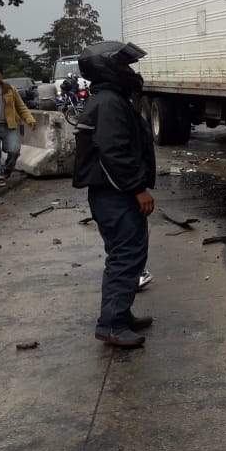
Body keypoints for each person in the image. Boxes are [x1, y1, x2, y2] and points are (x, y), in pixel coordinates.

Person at [72, 41, 157, 347]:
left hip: (113, 193)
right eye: (124, 65)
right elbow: (114, 152)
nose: (130, 71)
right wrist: (138, 189)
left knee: (127, 254)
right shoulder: (109, 102)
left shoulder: (110, 99)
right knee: (126, 255)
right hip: (115, 194)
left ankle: (121, 314)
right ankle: (111, 324)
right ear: (106, 68)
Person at [0, 64, 37, 187]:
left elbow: (21, 106)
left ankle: (7, 170)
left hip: (9, 126)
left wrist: (30, 120)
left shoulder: (10, 89)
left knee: (14, 151)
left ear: (2, 76)